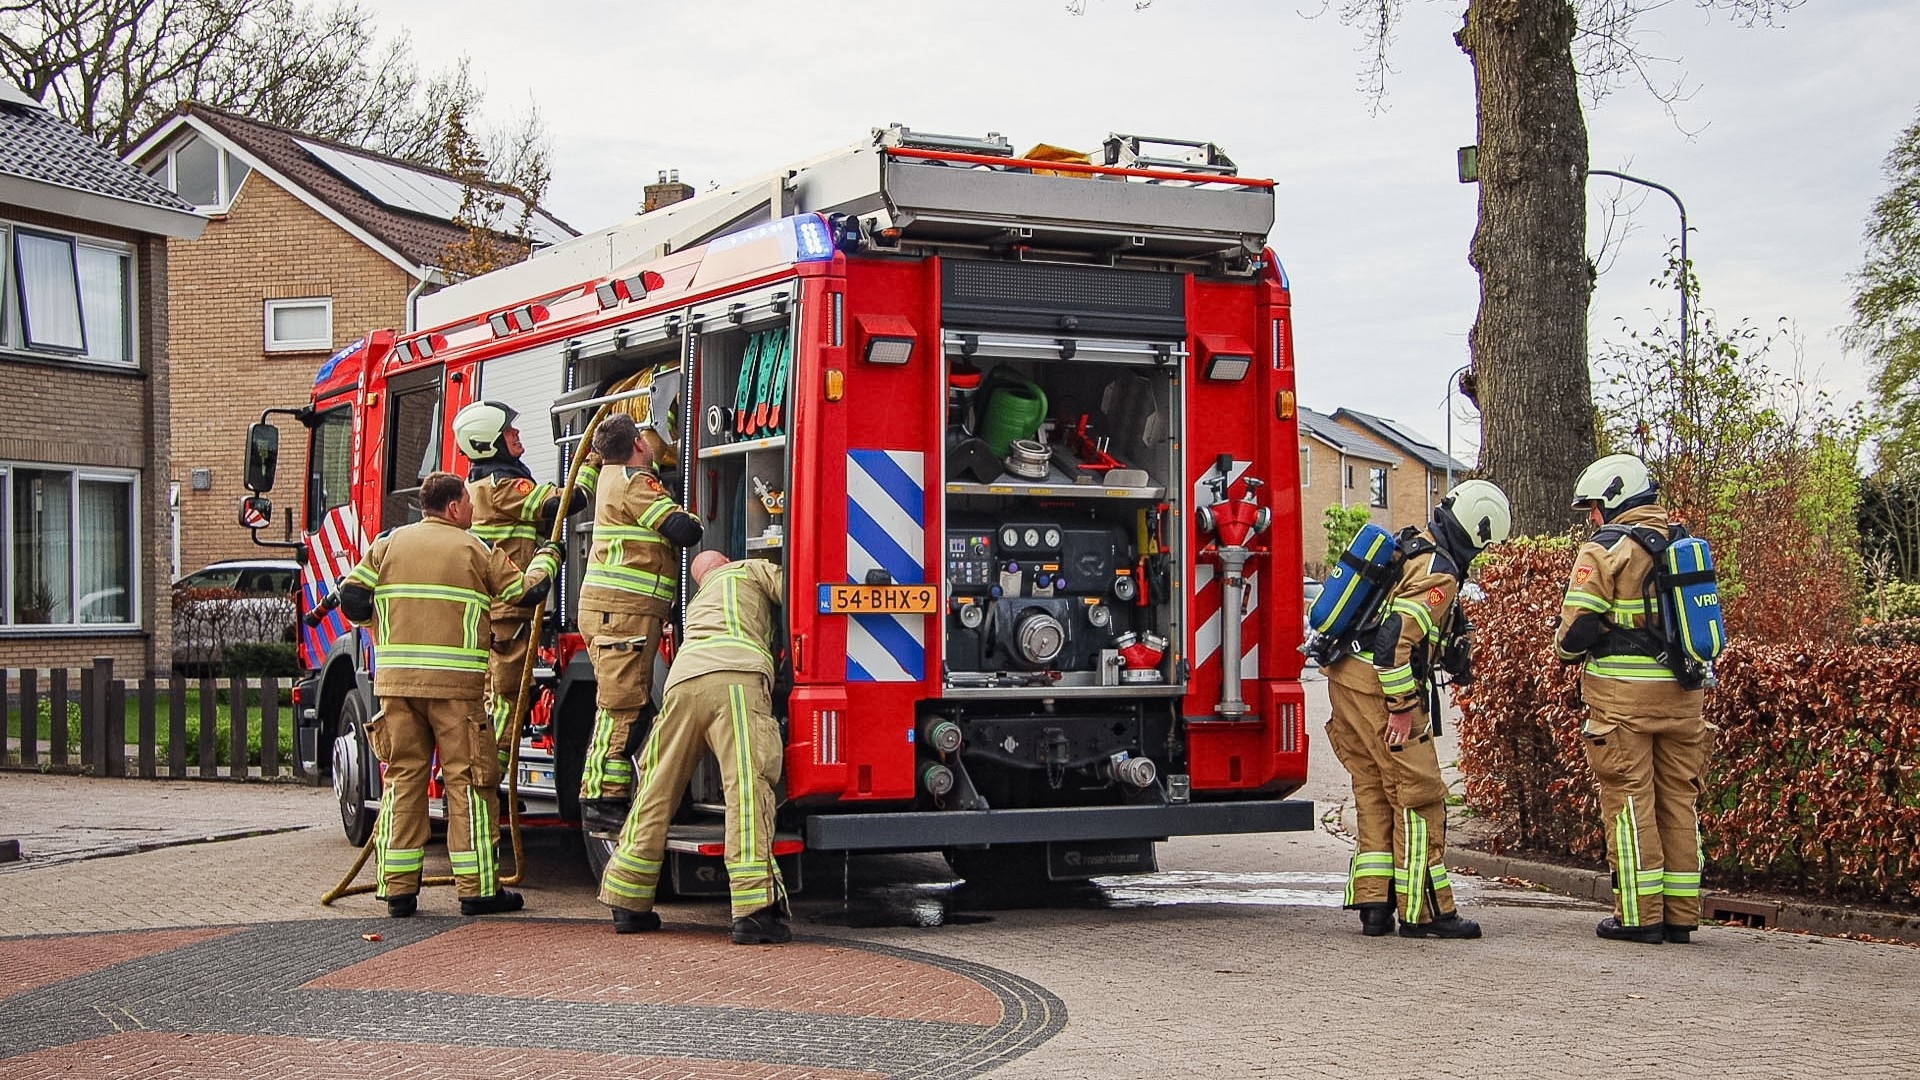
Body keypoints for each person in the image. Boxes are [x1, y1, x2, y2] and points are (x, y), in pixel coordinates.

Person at [336, 471, 559, 917]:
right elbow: (526, 592)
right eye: (468, 503)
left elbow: (353, 599)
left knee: (403, 780)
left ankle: (398, 891)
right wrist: (549, 556)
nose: (473, 509)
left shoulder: (387, 544)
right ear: (454, 507)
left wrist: (383, 630)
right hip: (456, 691)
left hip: (396, 689)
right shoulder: (473, 548)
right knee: (469, 783)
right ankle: (478, 891)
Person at [1325, 479, 1511, 940]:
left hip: (1345, 679)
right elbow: (1393, 641)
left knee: (1374, 791)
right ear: (1478, 530)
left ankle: (1375, 905)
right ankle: (1427, 912)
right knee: (1419, 795)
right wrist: (1402, 707)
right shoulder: (1439, 572)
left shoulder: (1413, 547)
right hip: (1380, 691)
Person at [1554, 453, 1709, 945]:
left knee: (1629, 802)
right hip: (1684, 700)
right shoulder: (1681, 543)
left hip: (1623, 703)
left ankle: (1639, 917)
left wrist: (1568, 645)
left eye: (1595, 507)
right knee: (1678, 802)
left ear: (1615, 500)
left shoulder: (1606, 548)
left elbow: (1574, 634)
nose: (1593, 518)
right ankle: (1681, 915)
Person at [599, 551, 790, 945]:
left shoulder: (700, 601)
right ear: (726, 561)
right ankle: (754, 913)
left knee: (655, 789)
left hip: (682, 683)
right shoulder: (749, 569)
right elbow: (796, 591)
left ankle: (627, 902)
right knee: (746, 791)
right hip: (735, 676)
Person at [576, 413, 703, 835]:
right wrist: (693, 513)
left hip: (620, 611)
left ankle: (613, 794)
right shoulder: (634, 482)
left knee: (630, 705)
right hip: (622, 613)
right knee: (622, 706)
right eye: (645, 440)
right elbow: (682, 530)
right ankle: (601, 798)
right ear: (636, 445)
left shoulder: (611, 476)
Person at [451, 399, 599, 762]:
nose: (516, 434)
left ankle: (483, 774)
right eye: (508, 431)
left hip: (501, 612)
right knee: (509, 698)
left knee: (501, 696)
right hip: (508, 612)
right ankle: (487, 773)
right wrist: (592, 462)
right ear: (487, 442)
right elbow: (567, 502)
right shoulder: (501, 486)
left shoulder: (481, 484)